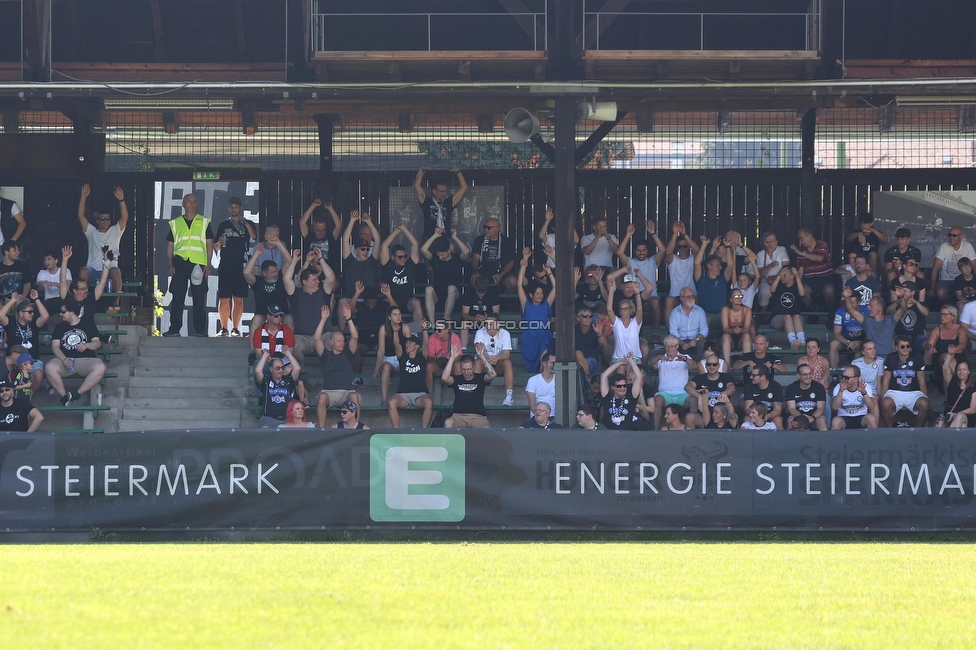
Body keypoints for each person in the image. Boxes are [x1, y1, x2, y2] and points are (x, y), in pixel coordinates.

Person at [164, 193, 214, 337]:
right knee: (178, 297)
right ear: (183, 204)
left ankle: (200, 330)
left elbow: (209, 244)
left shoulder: (204, 222)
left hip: (198, 263)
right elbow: (170, 246)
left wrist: (208, 265)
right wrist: (170, 264)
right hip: (179, 263)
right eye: (189, 201)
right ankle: (174, 329)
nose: (192, 203)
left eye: (194, 201)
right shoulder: (176, 223)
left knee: (199, 298)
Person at [45, 298, 106, 405]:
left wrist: (86, 345)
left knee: (100, 367)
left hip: (86, 360)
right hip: (66, 361)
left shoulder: (88, 324)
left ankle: (77, 394)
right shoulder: (59, 327)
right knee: (49, 367)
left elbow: (97, 343)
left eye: (63, 311)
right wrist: (63, 358)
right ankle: (64, 397)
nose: (60, 314)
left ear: (72, 312)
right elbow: (55, 346)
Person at [213, 196, 257, 337]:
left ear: (240, 208)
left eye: (236, 207)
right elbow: (217, 247)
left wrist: (246, 224)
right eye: (231, 207)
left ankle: (236, 328)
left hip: (241, 266)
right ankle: (224, 328)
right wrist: (219, 242)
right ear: (228, 208)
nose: (233, 209)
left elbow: (254, 236)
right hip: (226, 264)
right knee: (224, 298)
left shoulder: (248, 223)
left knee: (238, 298)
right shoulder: (223, 224)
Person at [283, 248, 336, 365]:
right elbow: (286, 279)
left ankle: (329, 377)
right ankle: (302, 376)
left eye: (317, 279)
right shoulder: (296, 294)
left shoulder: (323, 291)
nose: (318, 281)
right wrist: (294, 260)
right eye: (314, 280)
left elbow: (331, 277)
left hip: (324, 335)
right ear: (305, 282)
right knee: (294, 349)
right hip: (302, 337)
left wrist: (321, 258)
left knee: (333, 346)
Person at [76, 184, 128, 300]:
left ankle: (116, 303)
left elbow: (124, 218)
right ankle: (83, 300)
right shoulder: (91, 232)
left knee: (116, 272)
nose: (106, 221)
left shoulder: (115, 231)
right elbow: (80, 216)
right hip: (93, 270)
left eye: (108, 218)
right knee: (83, 271)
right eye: (102, 219)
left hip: (110, 269)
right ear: (97, 221)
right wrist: (83, 197)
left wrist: (121, 200)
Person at [314, 304, 360, 428]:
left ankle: (356, 428)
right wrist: (323, 320)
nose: (342, 343)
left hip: (347, 392)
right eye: (339, 341)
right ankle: (322, 429)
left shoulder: (348, 354)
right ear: (331, 342)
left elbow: (355, 337)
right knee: (322, 398)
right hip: (329, 392)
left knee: (354, 396)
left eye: (343, 341)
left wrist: (349, 319)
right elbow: (317, 339)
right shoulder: (325, 355)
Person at [615, 221, 663, 326]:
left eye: (644, 250)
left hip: (649, 297)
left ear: (647, 250)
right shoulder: (631, 262)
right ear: (634, 251)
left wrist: (653, 233)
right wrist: (628, 235)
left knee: (655, 302)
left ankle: (656, 332)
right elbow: (619, 253)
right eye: (638, 250)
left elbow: (662, 250)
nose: (641, 252)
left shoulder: (652, 261)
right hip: (634, 297)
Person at [516, 248, 555, 373]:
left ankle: (543, 367)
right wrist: (524, 262)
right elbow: (519, 285)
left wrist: (549, 271)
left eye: (541, 293)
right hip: (530, 338)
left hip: (544, 336)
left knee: (545, 341)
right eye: (537, 294)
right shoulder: (526, 305)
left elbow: (556, 287)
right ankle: (539, 367)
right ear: (531, 295)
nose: (540, 296)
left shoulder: (546, 304)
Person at [0, 291, 48, 393]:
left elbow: (45, 316)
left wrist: (36, 299)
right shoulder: (11, 323)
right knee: (14, 377)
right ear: (21, 313)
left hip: (32, 362)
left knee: (38, 375)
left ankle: (29, 396)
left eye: (33, 312)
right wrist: (13, 300)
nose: (32, 314)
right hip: (15, 363)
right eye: (30, 312)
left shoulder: (34, 324)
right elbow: (1, 315)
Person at [648, 335, 699, 429]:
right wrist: (659, 357)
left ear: (677, 346)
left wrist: (686, 359)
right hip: (665, 393)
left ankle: (691, 430)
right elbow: (650, 363)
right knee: (658, 399)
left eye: (672, 346)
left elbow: (695, 365)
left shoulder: (685, 357)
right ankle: (655, 430)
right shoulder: (661, 359)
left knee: (693, 400)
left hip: (682, 394)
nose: (670, 349)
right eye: (667, 346)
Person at [442, 342, 497, 428]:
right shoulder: (457, 379)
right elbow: (444, 378)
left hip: (478, 417)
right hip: (458, 416)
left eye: (469, 369)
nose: (466, 372)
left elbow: (493, 374)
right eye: (464, 369)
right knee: (448, 422)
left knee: (486, 428)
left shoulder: (480, 378)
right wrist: (452, 358)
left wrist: (482, 356)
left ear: (474, 367)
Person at [379, 223, 425, 326]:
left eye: (404, 256)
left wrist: (404, 229)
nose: (403, 259)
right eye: (400, 257)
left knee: (416, 302)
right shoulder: (388, 265)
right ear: (392, 257)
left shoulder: (410, 265)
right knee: (383, 304)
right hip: (390, 298)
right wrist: (396, 231)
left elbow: (415, 244)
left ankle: (416, 331)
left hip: (407, 300)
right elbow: (384, 245)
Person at [880, 334, 930, 427]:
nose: (906, 348)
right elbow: (886, 381)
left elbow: (921, 381)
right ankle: (890, 431)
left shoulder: (917, 357)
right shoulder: (891, 358)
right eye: (902, 346)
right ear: (896, 348)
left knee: (925, 404)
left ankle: (918, 431)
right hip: (895, 392)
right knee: (885, 403)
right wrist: (883, 399)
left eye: (908, 346)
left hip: (913, 392)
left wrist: (925, 397)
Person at [422, 228, 469, 324]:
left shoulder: (456, 259)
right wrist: (435, 236)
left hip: (454, 296)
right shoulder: (435, 258)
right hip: (438, 297)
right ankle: (432, 323)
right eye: (439, 255)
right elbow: (423, 249)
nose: (440, 257)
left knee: (451, 288)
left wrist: (454, 237)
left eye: (442, 254)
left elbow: (466, 251)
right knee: (428, 289)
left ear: (449, 250)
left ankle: (445, 320)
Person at [388, 332, 434, 428]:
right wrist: (396, 332)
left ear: (417, 346)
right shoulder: (403, 357)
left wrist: (424, 330)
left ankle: (424, 431)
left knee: (429, 402)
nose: (407, 345)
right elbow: (397, 344)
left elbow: (425, 344)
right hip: (403, 394)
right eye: (406, 343)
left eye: (410, 343)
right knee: (392, 402)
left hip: (420, 394)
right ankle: (397, 432)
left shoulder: (422, 357)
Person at [58, 246, 108, 332]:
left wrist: (106, 261)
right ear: (75, 291)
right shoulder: (67, 299)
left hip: (89, 334)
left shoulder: (91, 298)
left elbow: (102, 283)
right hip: (70, 334)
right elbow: (62, 281)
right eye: (83, 289)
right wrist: (65, 259)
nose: (87, 290)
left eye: (87, 288)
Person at [843, 288, 903, 357]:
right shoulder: (867, 320)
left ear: (880, 308)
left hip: (889, 359)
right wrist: (847, 297)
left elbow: (903, 308)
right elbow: (851, 311)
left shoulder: (891, 320)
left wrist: (901, 297)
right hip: (871, 358)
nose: (868, 308)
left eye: (871, 306)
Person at [244, 246, 292, 333]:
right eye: (273, 272)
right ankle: (252, 347)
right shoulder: (257, 281)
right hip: (264, 315)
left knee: (289, 318)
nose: (276, 273)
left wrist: (278, 243)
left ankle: (288, 346)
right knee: (256, 319)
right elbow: (246, 272)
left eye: (276, 271)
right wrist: (257, 254)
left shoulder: (281, 278)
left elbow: (289, 261)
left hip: (281, 314)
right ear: (264, 273)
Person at [415, 166, 468, 240]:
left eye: (445, 191)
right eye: (441, 191)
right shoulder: (426, 202)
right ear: (434, 191)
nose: (444, 193)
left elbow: (464, 187)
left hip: (445, 239)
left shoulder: (449, 203)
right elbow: (417, 185)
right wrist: (422, 170)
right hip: (429, 239)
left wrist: (458, 171)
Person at [254, 348, 302, 429]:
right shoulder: (266, 380)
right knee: (265, 431)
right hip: (268, 418)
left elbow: (297, 369)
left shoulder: (288, 380)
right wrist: (265, 356)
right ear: (271, 369)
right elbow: (258, 371)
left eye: (282, 368)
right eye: (277, 368)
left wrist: (288, 354)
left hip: (287, 419)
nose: (280, 370)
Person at [473, 317, 515, 406]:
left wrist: (497, 357)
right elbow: (479, 352)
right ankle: (474, 395)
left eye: (491, 324)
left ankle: (509, 396)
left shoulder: (505, 333)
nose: (488, 326)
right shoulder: (480, 332)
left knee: (507, 362)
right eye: (486, 324)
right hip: (484, 362)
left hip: (498, 363)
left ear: (498, 325)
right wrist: (488, 359)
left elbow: (507, 354)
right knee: (477, 362)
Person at [599, 354, 648, 430]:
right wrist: (620, 363)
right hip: (609, 435)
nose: (622, 388)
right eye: (619, 386)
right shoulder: (607, 398)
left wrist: (630, 361)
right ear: (612, 387)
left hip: (627, 435)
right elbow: (604, 376)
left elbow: (639, 377)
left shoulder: (631, 397)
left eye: (624, 386)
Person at [375, 306, 411, 407]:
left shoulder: (405, 326)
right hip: (388, 359)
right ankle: (384, 399)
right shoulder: (384, 328)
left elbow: (409, 346)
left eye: (399, 314)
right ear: (389, 317)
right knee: (386, 367)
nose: (398, 317)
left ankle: (406, 397)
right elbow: (381, 350)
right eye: (395, 314)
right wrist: (376, 369)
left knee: (406, 368)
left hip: (402, 358)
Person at [925, 305, 968, 389]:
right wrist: (930, 347)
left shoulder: (960, 329)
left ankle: (949, 395)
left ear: (953, 317)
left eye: (945, 314)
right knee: (945, 356)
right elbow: (929, 343)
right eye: (941, 314)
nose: (942, 317)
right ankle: (962, 383)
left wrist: (954, 350)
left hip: (958, 357)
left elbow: (963, 344)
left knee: (948, 365)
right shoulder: (937, 329)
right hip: (940, 359)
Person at [663, 222, 699, 322]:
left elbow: (697, 249)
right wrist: (675, 234)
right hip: (675, 295)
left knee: (698, 300)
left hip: (692, 294)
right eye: (679, 246)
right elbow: (668, 252)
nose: (682, 249)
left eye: (685, 246)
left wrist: (684, 234)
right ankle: (669, 331)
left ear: (689, 247)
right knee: (668, 301)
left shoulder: (693, 259)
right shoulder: (672, 259)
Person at [790, 227, 835, 308]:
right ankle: (812, 312)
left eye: (801, 238)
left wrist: (802, 253)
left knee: (830, 290)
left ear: (809, 236)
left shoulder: (822, 244)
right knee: (802, 292)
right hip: (809, 280)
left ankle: (831, 313)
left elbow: (819, 258)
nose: (800, 242)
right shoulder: (801, 250)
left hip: (825, 278)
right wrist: (796, 285)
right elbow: (800, 271)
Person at [932, 226, 976, 305]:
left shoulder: (967, 246)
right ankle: (953, 309)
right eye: (950, 235)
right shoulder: (944, 246)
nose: (951, 237)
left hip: (963, 280)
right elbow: (935, 268)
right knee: (940, 292)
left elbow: (974, 266)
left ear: (961, 236)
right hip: (947, 281)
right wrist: (932, 288)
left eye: (954, 235)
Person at [471, 218, 517, 293]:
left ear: (497, 228)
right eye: (484, 227)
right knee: (475, 279)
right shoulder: (479, 240)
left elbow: (510, 262)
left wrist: (501, 275)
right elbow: (475, 258)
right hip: (483, 272)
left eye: (489, 228)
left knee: (512, 281)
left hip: (501, 272)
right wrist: (476, 271)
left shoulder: (506, 241)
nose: (486, 230)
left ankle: (506, 304)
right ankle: (481, 303)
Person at [250, 303, 295, 380]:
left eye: (280, 315)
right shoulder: (259, 331)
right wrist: (272, 363)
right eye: (276, 316)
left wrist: (278, 365)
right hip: (267, 363)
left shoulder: (287, 331)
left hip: (282, 363)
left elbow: (290, 352)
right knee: (258, 363)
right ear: (268, 316)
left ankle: (287, 391)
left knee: (290, 368)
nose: (279, 318)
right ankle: (261, 392)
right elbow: (259, 354)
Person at [693, 236, 733, 323]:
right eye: (718, 265)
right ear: (709, 266)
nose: (721, 267)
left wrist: (728, 246)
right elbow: (697, 263)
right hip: (706, 315)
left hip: (722, 316)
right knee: (706, 320)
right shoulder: (701, 280)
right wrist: (704, 244)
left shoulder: (723, 279)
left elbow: (730, 266)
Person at [685, 353, 736, 418]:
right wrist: (699, 396)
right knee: (690, 417)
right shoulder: (700, 377)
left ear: (719, 366)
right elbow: (688, 387)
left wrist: (724, 393)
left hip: (722, 414)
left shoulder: (726, 377)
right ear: (706, 365)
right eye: (709, 364)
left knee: (734, 416)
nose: (711, 367)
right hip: (703, 414)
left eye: (714, 364)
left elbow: (732, 387)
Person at [606, 276, 644, 361]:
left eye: (626, 309)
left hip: (635, 358)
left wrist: (637, 293)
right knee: (621, 369)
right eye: (621, 309)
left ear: (631, 310)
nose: (623, 311)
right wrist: (611, 291)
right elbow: (609, 310)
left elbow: (640, 309)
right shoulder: (617, 322)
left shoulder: (635, 323)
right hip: (618, 358)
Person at [459, 273, 501, 350]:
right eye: (479, 292)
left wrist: (487, 318)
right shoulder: (468, 293)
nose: (481, 295)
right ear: (475, 286)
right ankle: (464, 350)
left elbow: (496, 314)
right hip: (472, 320)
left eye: (483, 292)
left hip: (488, 321)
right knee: (464, 323)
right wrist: (474, 318)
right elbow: (465, 314)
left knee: (494, 323)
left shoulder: (493, 294)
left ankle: (493, 350)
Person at [299, 199, 343, 270]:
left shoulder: (330, 237)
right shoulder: (309, 236)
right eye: (318, 230)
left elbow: (339, 226)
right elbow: (302, 222)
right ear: (314, 229)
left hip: (328, 271)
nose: (321, 232)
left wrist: (330, 208)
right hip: (311, 272)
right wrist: (313, 205)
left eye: (323, 230)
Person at [829, 288, 869, 368]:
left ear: (859, 302)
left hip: (862, 339)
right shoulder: (840, 311)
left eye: (852, 303)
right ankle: (834, 374)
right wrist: (848, 343)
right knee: (833, 344)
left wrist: (861, 342)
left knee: (861, 347)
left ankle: (856, 374)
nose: (849, 305)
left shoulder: (867, 310)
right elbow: (836, 333)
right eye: (848, 302)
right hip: (845, 340)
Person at [830, 365, 878, 430]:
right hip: (844, 417)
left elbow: (871, 406)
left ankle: (873, 440)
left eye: (847, 378)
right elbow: (835, 407)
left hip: (861, 417)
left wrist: (864, 393)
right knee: (835, 421)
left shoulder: (865, 386)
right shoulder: (838, 387)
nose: (844, 380)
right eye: (843, 377)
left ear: (856, 378)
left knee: (871, 418)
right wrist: (841, 391)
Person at [769, 266, 806, 349]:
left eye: (784, 275)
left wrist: (797, 276)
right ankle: (793, 341)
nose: (782, 277)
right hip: (778, 318)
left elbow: (802, 294)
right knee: (787, 317)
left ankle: (802, 341)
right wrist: (779, 275)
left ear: (791, 276)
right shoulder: (779, 285)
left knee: (796, 316)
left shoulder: (797, 285)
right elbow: (772, 289)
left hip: (796, 319)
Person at [785, 364, 828, 431]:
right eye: (805, 374)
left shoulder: (819, 387)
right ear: (798, 376)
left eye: (810, 373)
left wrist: (813, 417)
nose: (808, 376)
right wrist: (802, 418)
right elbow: (791, 409)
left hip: (814, 416)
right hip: (797, 416)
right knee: (791, 421)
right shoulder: (791, 388)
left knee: (821, 421)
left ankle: (824, 441)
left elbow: (821, 408)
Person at [669, 287, 707, 357]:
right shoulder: (674, 312)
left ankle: (699, 365)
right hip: (680, 339)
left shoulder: (700, 311)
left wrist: (695, 340)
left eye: (692, 296)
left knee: (702, 343)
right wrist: (682, 343)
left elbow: (704, 330)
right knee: (671, 342)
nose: (691, 298)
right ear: (681, 299)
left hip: (696, 339)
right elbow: (673, 332)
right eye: (688, 297)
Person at [755, 232, 789, 309]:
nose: (776, 242)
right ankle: (764, 314)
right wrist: (770, 266)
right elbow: (760, 275)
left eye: (775, 240)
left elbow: (786, 265)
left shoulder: (781, 249)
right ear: (766, 244)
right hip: (766, 280)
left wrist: (778, 278)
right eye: (773, 240)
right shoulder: (760, 254)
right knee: (763, 291)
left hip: (781, 280)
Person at [720, 288, 753, 368]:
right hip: (729, 339)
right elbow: (725, 328)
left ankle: (746, 365)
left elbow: (747, 328)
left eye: (741, 296)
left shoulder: (747, 310)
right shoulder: (725, 309)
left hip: (741, 339)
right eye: (736, 296)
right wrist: (734, 330)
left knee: (747, 335)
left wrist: (740, 330)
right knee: (726, 336)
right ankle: (727, 365)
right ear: (731, 299)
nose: (739, 298)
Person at [743, 365, 784, 429]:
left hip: (770, 416)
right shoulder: (749, 386)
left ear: (763, 377)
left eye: (753, 375)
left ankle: (781, 438)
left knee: (778, 420)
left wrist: (767, 416)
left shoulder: (776, 386)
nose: (751, 377)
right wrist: (757, 417)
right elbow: (747, 409)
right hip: (754, 416)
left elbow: (777, 410)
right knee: (747, 419)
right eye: (751, 374)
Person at [427, 321, 462, 395]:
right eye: (435, 329)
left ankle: (461, 393)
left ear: (447, 330)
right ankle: (428, 395)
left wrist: (452, 358)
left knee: (458, 365)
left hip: (451, 366)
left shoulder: (454, 337)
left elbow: (459, 357)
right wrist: (436, 357)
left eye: (439, 330)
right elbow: (430, 359)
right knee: (429, 367)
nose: (437, 332)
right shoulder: (433, 337)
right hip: (438, 366)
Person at [942, 360, 976, 428]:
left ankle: (948, 437)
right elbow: (945, 368)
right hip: (949, 415)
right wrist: (950, 354)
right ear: (956, 372)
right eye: (959, 370)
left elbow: (973, 409)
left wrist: (955, 414)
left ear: (969, 371)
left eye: (964, 369)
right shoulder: (952, 382)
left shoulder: (973, 387)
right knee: (963, 426)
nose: (961, 372)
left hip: (966, 415)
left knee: (959, 416)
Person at [574, 306, 606, 375]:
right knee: (578, 354)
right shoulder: (573, 330)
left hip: (592, 361)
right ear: (578, 318)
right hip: (576, 362)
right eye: (585, 316)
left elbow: (604, 345)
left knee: (579, 354)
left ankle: (586, 380)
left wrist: (600, 333)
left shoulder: (595, 328)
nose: (588, 318)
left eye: (590, 316)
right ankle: (587, 380)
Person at [35, 249, 67, 315]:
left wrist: (53, 284)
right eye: (45, 260)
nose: (46, 262)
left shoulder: (65, 270)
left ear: (56, 261)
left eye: (49, 259)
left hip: (62, 301)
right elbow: (39, 288)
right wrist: (43, 284)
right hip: (48, 302)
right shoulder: (42, 272)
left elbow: (68, 287)